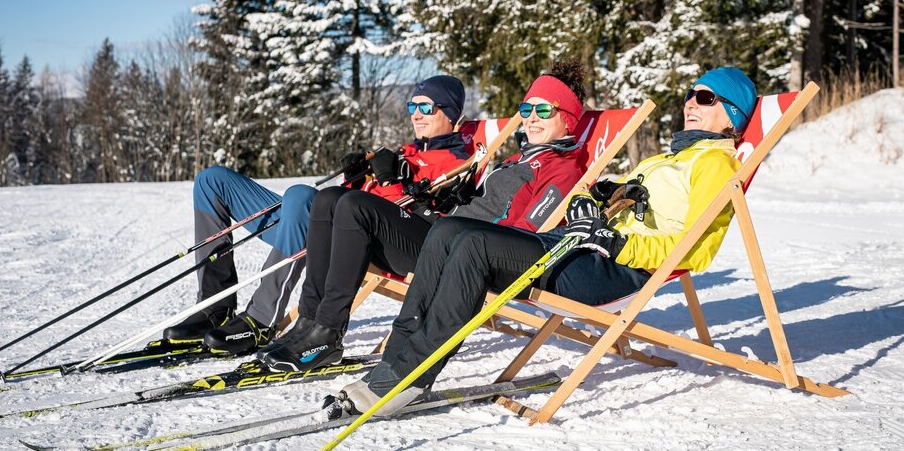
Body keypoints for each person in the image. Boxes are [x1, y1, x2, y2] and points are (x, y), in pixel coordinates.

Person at [338, 67, 760, 416]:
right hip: (578, 247)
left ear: (733, 117)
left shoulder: (716, 165)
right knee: (449, 230)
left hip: (612, 270)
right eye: (690, 95)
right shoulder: (664, 160)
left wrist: (615, 244)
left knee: (474, 246)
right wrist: (594, 202)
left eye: (706, 99)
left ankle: (412, 375)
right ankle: (395, 357)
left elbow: (694, 249)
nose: (690, 103)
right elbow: (606, 203)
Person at [258, 59, 591, 372]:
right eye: (527, 109)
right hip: (442, 234)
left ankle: (327, 332)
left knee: (353, 206)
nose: (532, 118)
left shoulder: (561, 169)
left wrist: (430, 209)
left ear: (568, 120)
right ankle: (310, 319)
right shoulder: (518, 159)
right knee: (331, 197)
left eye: (543, 110)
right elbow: (488, 205)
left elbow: (525, 236)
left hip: (460, 254)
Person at [162, 75, 472, 354]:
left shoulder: (454, 162)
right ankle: (214, 308)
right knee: (212, 180)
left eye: (426, 108)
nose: (416, 115)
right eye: (412, 106)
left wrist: (391, 182)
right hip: (319, 226)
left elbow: (401, 220)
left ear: (450, 112)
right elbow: (349, 197)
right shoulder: (406, 152)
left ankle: (260, 319)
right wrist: (357, 176)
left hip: (356, 239)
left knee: (299, 195)